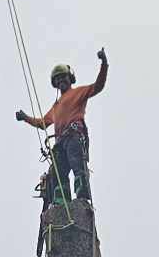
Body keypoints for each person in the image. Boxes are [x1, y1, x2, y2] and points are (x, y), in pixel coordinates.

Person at [17, 47, 107, 204]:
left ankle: (82, 197)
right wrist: (25, 117)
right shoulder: (56, 106)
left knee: (77, 164)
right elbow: (43, 123)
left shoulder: (78, 92)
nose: (61, 81)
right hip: (60, 143)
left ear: (70, 78)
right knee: (60, 174)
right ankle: (61, 202)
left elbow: (98, 86)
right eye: (58, 80)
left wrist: (104, 64)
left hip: (73, 135)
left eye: (63, 78)